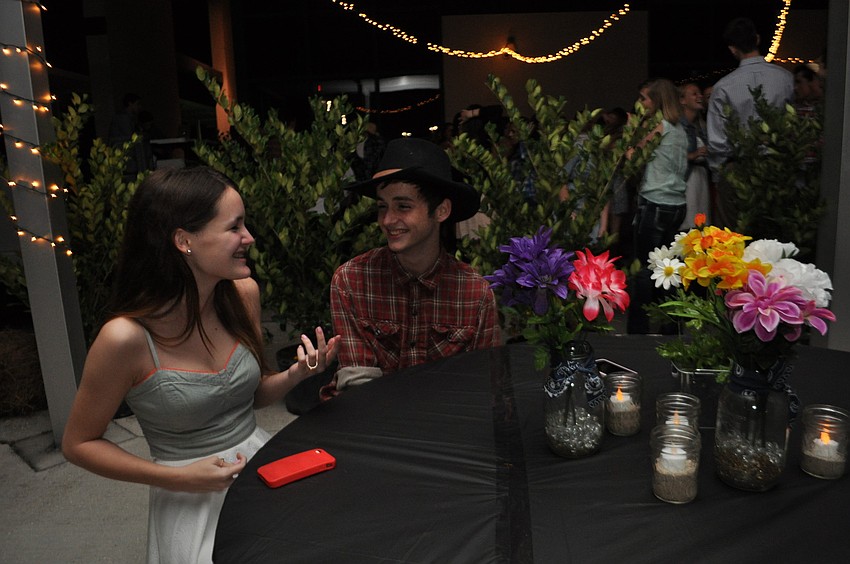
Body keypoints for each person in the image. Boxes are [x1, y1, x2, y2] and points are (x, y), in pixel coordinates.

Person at [62, 166, 338, 563]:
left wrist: (298, 374)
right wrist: (176, 478)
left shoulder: (243, 295)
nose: (249, 238)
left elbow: (252, 395)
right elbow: (78, 443)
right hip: (188, 496)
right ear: (183, 240)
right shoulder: (125, 338)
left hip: (261, 470)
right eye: (234, 227)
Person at [321, 138, 501, 397]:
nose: (387, 220)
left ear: (441, 211)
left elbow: (482, 385)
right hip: (370, 419)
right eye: (382, 206)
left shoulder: (475, 293)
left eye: (403, 206)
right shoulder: (352, 281)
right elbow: (358, 386)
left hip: (444, 422)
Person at [706, 17, 794, 228]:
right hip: (778, 165)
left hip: (737, 167)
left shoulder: (723, 87)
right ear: (757, 39)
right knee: (776, 235)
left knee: (734, 237)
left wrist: (720, 175)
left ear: (732, 49)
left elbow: (718, 140)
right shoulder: (786, 79)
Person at [627, 78, 688, 335]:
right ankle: (671, 326)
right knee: (668, 268)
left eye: (645, 98)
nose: (641, 103)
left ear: (657, 101)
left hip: (655, 204)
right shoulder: (681, 130)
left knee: (643, 268)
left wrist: (632, 131)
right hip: (677, 205)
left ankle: (639, 330)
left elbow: (633, 157)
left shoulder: (660, 127)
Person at [678, 82, 711, 229]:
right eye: (694, 94)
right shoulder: (678, 125)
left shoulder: (702, 124)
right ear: (682, 100)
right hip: (687, 179)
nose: (700, 96)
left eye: (700, 93)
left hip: (701, 177)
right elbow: (670, 154)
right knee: (688, 224)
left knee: (701, 223)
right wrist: (693, 155)